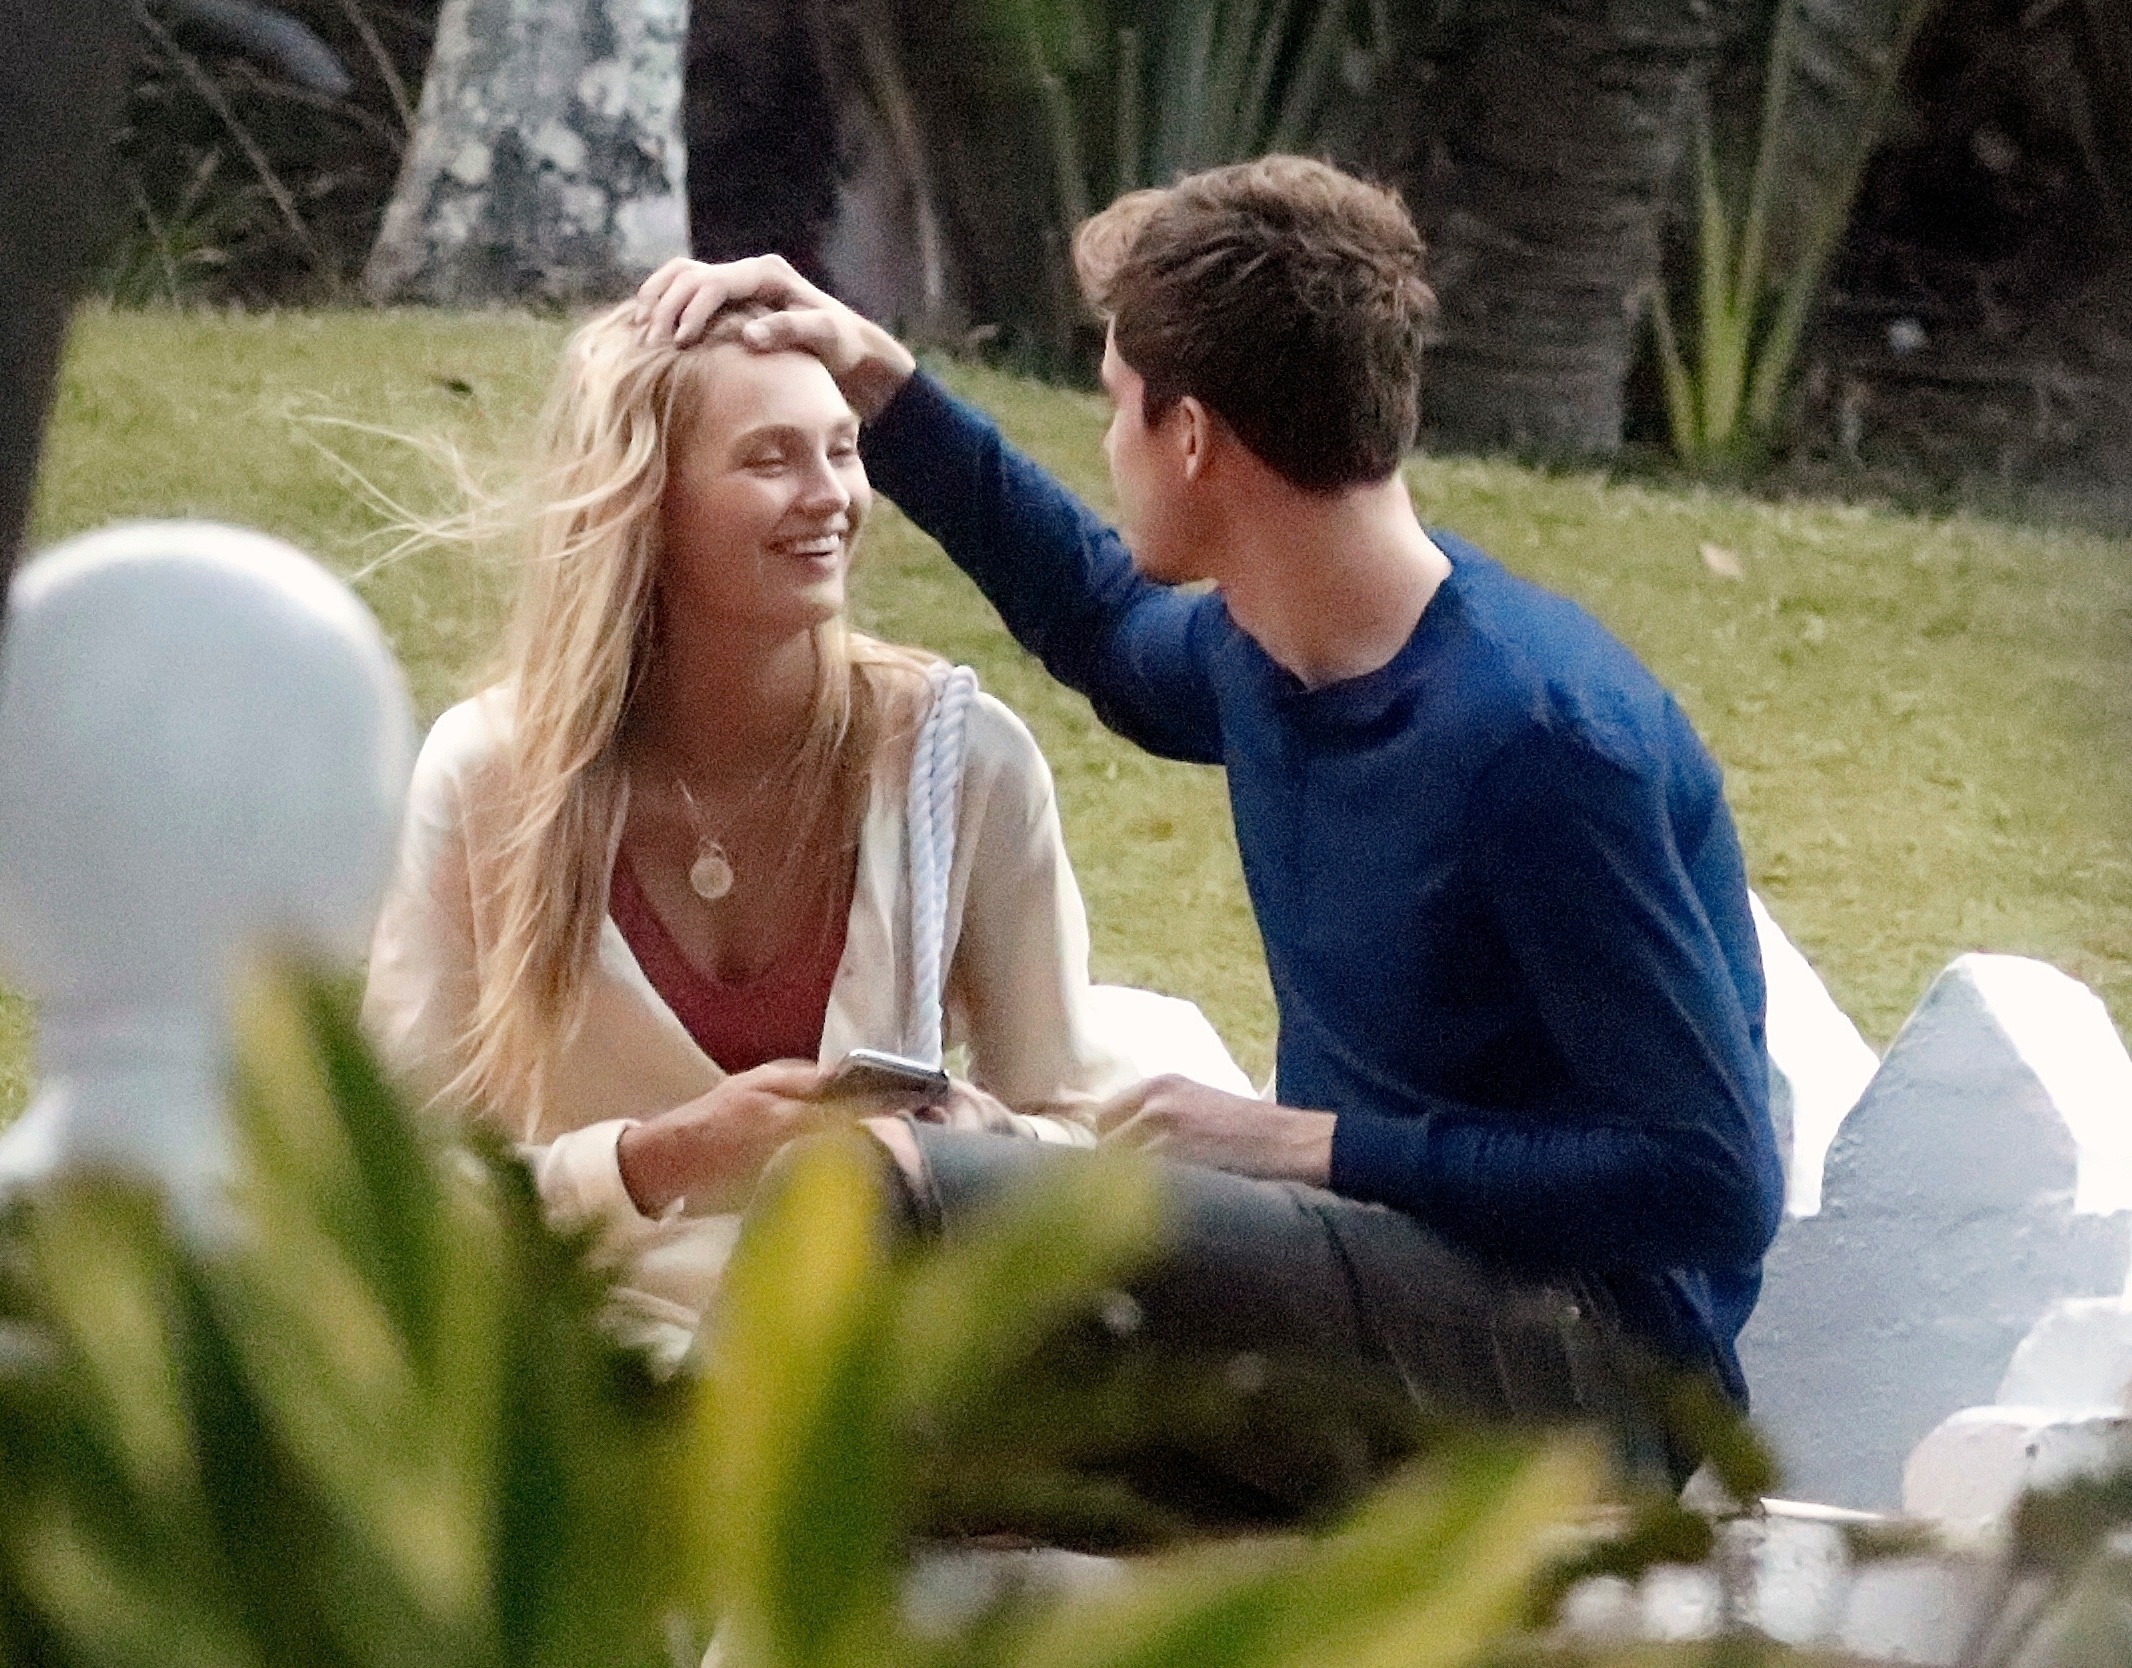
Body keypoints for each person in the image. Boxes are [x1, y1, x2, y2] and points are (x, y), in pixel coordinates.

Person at [633, 156, 1785, 1487]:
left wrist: (1305, 1146)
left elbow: (1709, 1180)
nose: (1106, 445)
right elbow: (1103, 621)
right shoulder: (1270, 658)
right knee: (936, 1410)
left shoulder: (1539, 740)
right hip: (1380, 1294)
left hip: (1588, 1378)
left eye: (1113, 404)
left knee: (866, 1189)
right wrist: (885, 390)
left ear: (1189, 437)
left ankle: (671, 1548)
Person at [362, 300, 1146, 1356]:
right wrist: (657, 1160)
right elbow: (394, 1188)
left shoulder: (961, 760)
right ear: (646, 502)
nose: (830, 496)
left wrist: (971, 1146)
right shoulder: (492, 774)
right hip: (577, 1366)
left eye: (843, 450)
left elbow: (1079, 1130)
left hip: (857, 1381)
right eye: (771, 459)